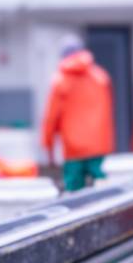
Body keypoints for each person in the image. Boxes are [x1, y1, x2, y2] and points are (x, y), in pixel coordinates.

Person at [41, 35, 115, 191]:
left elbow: (51, 118)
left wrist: (48, 147)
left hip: (73, 148)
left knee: (74, 195)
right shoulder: (100, 77)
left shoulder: (60, 81)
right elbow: (108, 115)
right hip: (98, 145)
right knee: (103, 191)